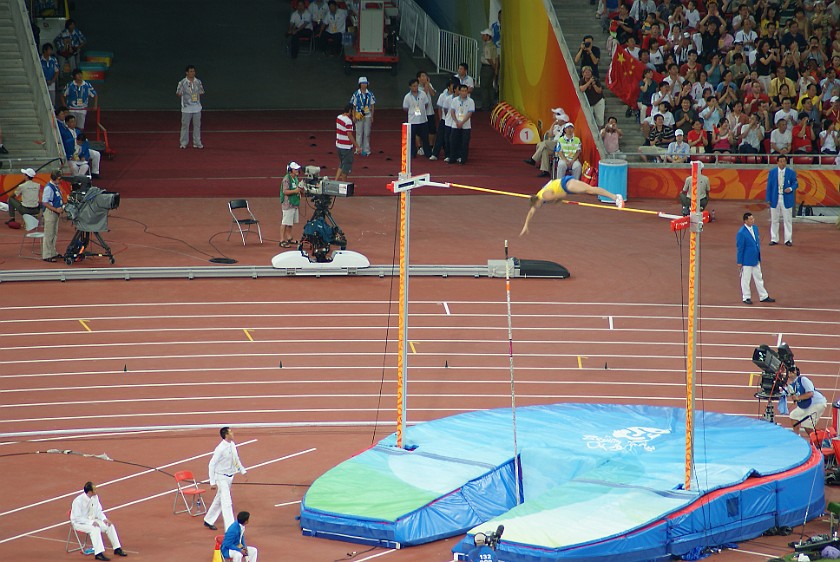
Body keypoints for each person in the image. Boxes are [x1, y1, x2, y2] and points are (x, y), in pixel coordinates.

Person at [519, 176, 625, 236]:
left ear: (537, 202)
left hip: (566, 184)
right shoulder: (538, 196)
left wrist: (556, 201)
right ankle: (615, 197)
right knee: (590, 190)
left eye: (537, 206)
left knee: (590, 189)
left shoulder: (545, 196)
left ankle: (615, 197)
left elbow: (562, 195)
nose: (538, 208)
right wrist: (526, 225)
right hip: (565, 185)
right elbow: (531, 212)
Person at [203, 427, 247, 531]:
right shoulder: (220, 449)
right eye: (230, 432)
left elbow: (236, 459)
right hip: (221, 477)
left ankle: (208, 519)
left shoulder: (232, 444)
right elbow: (211, 464)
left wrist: (243, 471)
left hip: (230, 476)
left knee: (219, 498)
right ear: (226, 435)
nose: (233, 433)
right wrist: (212, 482)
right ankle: (230, 528)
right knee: (227, 501)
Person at [70, 482, 128, 561]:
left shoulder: (95, 497)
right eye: (94, 489)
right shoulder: (78, 501)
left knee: (109, 526)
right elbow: (77, 518)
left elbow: (98, 511)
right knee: (95, 529)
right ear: (90, 491)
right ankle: (98, 553)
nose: (96, 490)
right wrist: (91, 523)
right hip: (79, 523)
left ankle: (117, 548)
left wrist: (104, 519)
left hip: (91, 519)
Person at [736, 212, 775, 305]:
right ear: (745, 221)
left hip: (755, 259)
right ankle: (746, 297)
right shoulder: (741, 233)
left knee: (759, 277)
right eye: (751, 219)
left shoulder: (755, 228)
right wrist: (739, 262)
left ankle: (763, 296)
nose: (753, 220)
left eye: (753, 219)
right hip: (746, 260)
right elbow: (740, 248)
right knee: (746, 279)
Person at [765, 154, 798, 246]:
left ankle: (788, 239)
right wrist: (768, 198)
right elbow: (769, 186)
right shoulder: (772, 172)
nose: (783, 163)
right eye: (781, 161)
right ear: (777, 162)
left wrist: (790, 189)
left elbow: (795, 183)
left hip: (786, 198)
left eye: (784, 161)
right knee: (774, 219)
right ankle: (774, 238)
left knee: (787, 220)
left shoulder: (791, 172)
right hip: (775, 198)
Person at [524, 108, 567, 176]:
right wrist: (553, 124)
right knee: (544, 149)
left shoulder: (566, 126)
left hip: (559, 145)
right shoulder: (556, 126)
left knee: (544, 143)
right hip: (553, 144)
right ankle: (545, 171)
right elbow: (550, 135)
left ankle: (533, 160)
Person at [786, 368, 827, 436]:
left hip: (817, 403)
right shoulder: (792, 385)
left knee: (807, 425)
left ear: (795, 372)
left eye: (789, 373)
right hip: (806, 405)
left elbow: (810, 393)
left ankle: (815, 442)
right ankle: (797, 437)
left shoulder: (803, 380)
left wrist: (798, 398)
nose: (788, 375)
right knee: (794, 415)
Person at [176, 64, 205, 149]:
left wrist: (195, 95)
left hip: (197, 107)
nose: (193, 73)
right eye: (191, 71)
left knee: (197, 126)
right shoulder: (182, 82)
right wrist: (184, 95)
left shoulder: (198, 82)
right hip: (186, 108)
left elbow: (202, 91)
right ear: (187, 73)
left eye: (194, 71)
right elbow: (178, 93)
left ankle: (197, 142)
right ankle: (183, 143)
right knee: (185, 126)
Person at [403, 78, 431, 157]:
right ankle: (412, 153)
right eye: (413, 86)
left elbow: (426, 104)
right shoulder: (407, 97)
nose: (415, 87)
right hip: (412, 120)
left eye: (416, 86)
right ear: (410, 87)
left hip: (422, 120)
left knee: (425, 138)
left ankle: (427, 153)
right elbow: (405, 108)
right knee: (411, 138)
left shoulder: (422, 94)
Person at [448, 83, 475, 164]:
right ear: (459, 91)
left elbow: (470, 113)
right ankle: (452, 157)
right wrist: (456, 121)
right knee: (453, 141)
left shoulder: (471, 101)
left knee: (464, 142)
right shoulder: (454, 100)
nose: (464, 92)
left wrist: (462, 122)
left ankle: (463, 158)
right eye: (462, 91)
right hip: (455, 124)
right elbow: (452, 112)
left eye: (465, 91)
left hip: (466, 125)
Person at [279, 161, 303, 248]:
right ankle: (282, 240)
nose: (297, 170)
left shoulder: (295, 178)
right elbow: (285, 191)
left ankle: (289, 237)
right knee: (285, 222)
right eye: (295, 169)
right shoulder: (286, 179)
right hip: (288, 204)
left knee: (290, 222)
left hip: (294, 203)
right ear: (290, 170)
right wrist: (295, 191)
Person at [41, 170, 63, 262]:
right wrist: (56, 209)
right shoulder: (48, 188)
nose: (61, 180)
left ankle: (52, 252)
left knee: (54, 233)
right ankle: (47, 255)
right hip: (50, 213)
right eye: (60, 178)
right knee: (49, 234)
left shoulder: (56, 186)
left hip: (55, 213)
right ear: (56, 178)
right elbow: (45, 202)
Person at [350, 77, 375, 155]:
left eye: (365, 83)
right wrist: (353, 116)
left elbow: (372, 105)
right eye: (363, 83)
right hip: (358, 114)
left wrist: (372, 116)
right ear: (359, 84)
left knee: (367, 133)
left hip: (367, 115)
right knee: (359, 132)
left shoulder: (370, 94)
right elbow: (353, 106)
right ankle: (358, 149)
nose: (364, 85)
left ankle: (366, 149)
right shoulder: (356, 94)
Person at [335, 103, 358, 181]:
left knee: (342, 164)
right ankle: (343, 188)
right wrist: (357, 146)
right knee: (345, 169)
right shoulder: (348, 121)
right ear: (350, 111)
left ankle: (335, 181)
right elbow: (349, 135)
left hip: (339, 145)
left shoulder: (339, 117)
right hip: (346, 148)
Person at [479, 28, 498, 111]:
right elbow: (496, 58)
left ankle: (485, 106)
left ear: (488, 36)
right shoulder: (493, 45)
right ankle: (491, 104)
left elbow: (488, 58)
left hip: (486, 68)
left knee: (484, 87)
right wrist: (495, 69)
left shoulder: (487, 46)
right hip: (491, 68)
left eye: (483, 35)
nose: (482, 36)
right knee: (490, 87)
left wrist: (494, 67)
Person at [40, 42, 60, 107]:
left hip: (51, 83)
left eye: (51, 50)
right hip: (42, 83)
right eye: (49, 50)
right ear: (44, 50)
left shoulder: (54, 60)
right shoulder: (39, 59)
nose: (51, 51)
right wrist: (45, 81)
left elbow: (57, 71)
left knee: (52, 102)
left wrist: (52, 81)